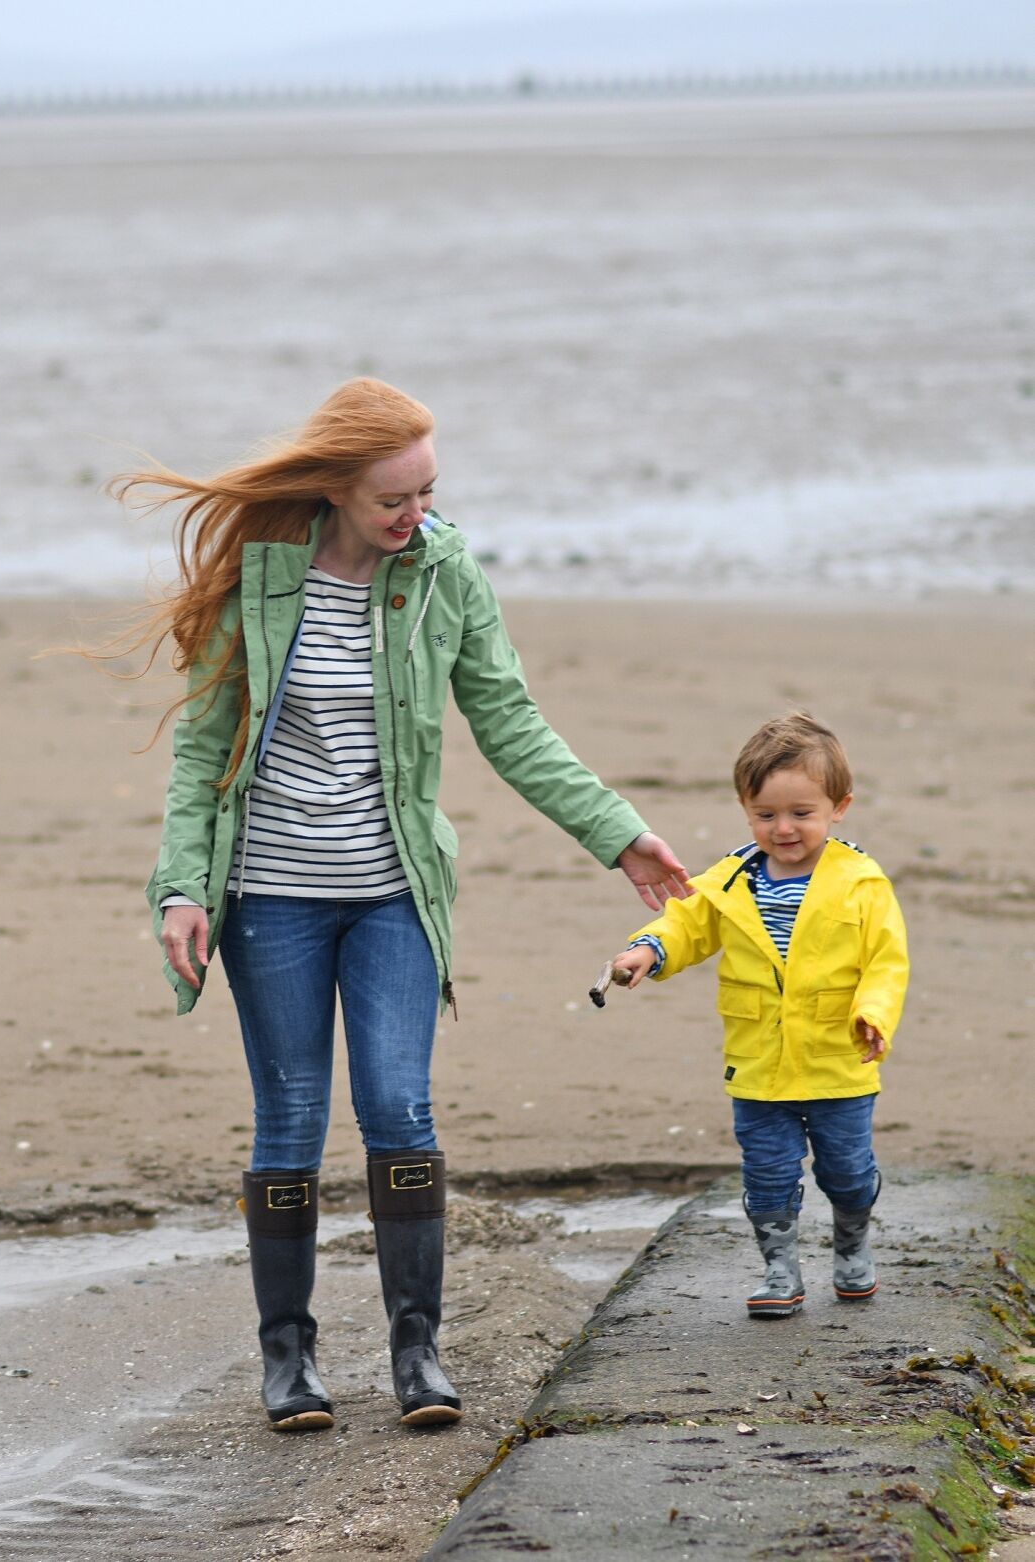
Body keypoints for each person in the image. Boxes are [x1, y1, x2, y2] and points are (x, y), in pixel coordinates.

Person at [119, 378, 692, 1433]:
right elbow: (203, 752)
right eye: (395, 498)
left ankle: (415, 1350)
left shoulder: (444, 573)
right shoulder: (258, 576)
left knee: (400, 1109)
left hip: (394, 897)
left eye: (429, 491)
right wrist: (183, 889)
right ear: (335, 488)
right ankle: (287, 1359)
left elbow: (510, 723)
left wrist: (619, 831)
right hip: (273, 899)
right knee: (288, 1120)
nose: (415, 514)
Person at [603, 712, 908, 1319]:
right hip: (758, 1062)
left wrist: (873, 1014)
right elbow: (688, 923)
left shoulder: (862, 883)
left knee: (846, 1174)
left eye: (801, 813)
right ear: (745, 808)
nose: (784, 828)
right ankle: (780, 1269)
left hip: (837, 1062)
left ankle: (851, 1245)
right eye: (766, 815)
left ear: (838, 807)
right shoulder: (734, 877)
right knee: (767, 1175)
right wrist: (648, 949)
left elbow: (887, 961)